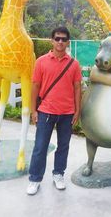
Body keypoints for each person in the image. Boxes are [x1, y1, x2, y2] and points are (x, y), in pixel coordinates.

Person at [27, 26, 82, 195]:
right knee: (40, 147)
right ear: (51, 40)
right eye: (57, 38)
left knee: (63, 146)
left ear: (68, 42)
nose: (60, 42)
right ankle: (35, 179)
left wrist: (77, 111)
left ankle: (58, 174)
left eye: (63, 39)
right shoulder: (41, 61)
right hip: (45, 112)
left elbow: (77, 88)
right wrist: (33, 110)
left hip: (67, 113)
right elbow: (35, 86)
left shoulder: (74, 64)